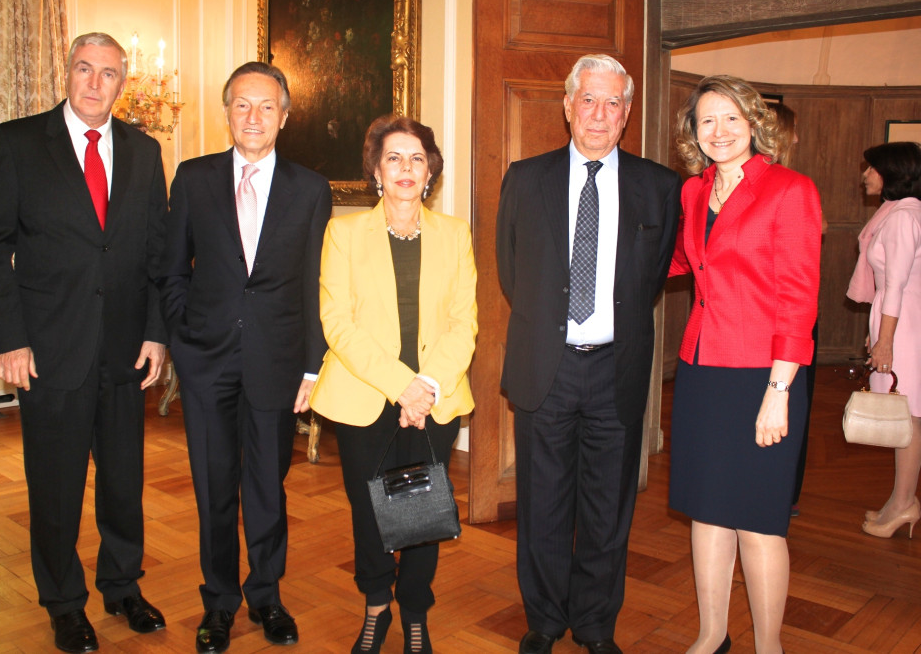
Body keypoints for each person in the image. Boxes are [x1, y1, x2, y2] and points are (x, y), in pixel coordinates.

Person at [0, 32, 168, 653]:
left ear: (122, 82)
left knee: (122, 481)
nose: (94, 82)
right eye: (84, 68)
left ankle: (122, 584)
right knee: (55, 485)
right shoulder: (18, 143)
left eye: (107, 73)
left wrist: (156, 333)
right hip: (49, 349)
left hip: (123, 352)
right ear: (67, 72)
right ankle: (63, 600)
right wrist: (8, 338)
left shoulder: (145, 152)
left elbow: (158, 255)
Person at [496, 54, 681, 654]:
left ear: (627, 114)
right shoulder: (525, 178)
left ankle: (596, 626)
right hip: (545, 368)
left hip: (615, 370)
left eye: (613, 103)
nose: (600, 114)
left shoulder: (659, 186)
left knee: (608, 511)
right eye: (589, 100)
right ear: (568, 106)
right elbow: (511, 269)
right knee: (542, 507)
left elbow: (650, 279)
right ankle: (545, 622)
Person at [158, 61, 331, 653]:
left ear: (284, 116)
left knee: (266, 486)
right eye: (241, 105)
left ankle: (266, 596)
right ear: (226, 112)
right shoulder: (193, 178)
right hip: (206, 362)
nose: (252, 117)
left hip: (277, 364)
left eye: (265, 107)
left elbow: (315, 285)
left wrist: (313, 365)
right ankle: (219, 603)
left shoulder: (311, 190)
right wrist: (182, 334)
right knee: (213, 487)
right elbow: (172, 268)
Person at [310, 115, 478, 654]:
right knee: (371, 511)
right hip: (367, 395)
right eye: (394, 158)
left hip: (435, 397)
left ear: (429, 172)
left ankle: (415, 613)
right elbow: (337, 322)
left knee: (422, 511)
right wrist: (400, 386)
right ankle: (376, 606)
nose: (406, 168)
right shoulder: (344, 233)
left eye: (416, 159)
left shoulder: (455, 234)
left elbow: (463, 321)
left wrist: (425, 387)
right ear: (376, 171)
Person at [669, 75, 822, 654]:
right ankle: (712, 634)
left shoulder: (790, 189)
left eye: (731, 118)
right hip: (704, 367)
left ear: (754, 123)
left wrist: (779, 389)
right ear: (693, 132)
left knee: (758, 520)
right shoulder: (692, 193)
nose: (719, 131)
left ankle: (769, 644)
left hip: (766, 374)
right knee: (707, 513)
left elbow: (798, 298)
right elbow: (685, 261)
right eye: (707, 120)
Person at [847, 141, 921, 538]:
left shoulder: (903, 217)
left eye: (872, 169)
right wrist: (878, 331)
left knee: (907, 419)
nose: (865, 175)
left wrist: (886, 340)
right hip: (901, 321)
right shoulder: (898, 213)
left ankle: (905, 502)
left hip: (906, 325)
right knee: (906, 418)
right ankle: (900, 500)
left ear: (893, 173)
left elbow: (895, 285)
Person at [766, 101, 822, 517]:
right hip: (775, 326)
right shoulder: (785, 186)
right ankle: (782, 493)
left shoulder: (795, 188)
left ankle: (783, 492)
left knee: (788, 411)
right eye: (794, 131)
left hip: (792, 328)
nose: (799, 139)